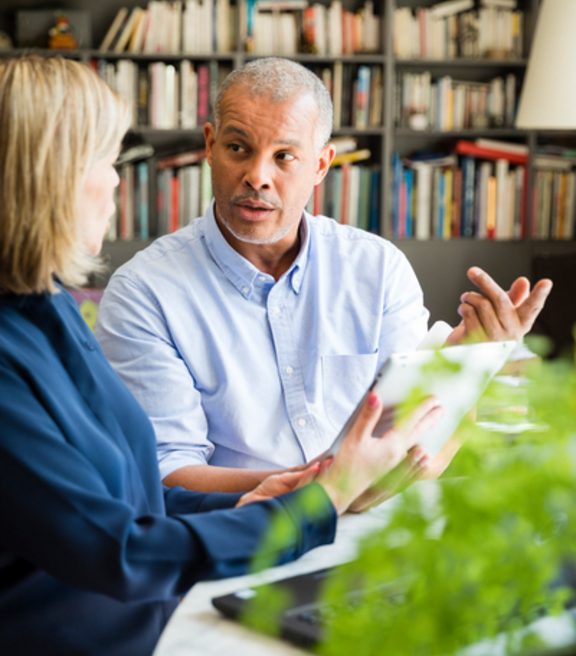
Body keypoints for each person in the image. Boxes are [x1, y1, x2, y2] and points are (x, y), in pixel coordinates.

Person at [0, 55, 443, 656]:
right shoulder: (29, 345)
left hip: (162, 635)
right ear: (45, 177)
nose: (117, 185)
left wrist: (262, 495)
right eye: (107, 162)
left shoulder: (49, 310)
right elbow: (117, 548)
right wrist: (317, 500)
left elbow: (134, 497)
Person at [95, 57, 552, 497]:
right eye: (238, 148)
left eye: (285, 156)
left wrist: (472, 365)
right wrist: (322, 487)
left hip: (379, 524)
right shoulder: (144, 293)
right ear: (210, 147)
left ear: (320, 165)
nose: (257, 176)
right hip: (240, 531)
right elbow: (164, 471)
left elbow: (416, 440)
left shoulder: (378, 268)